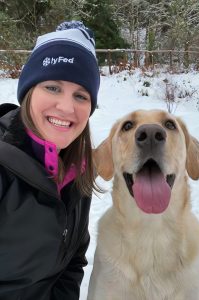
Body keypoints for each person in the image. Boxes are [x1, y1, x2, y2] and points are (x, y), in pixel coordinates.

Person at [0, 21, 100, 300]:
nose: (67, 107)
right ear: (29, 91)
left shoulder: (77, 170)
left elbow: (73, 261)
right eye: (53, 87)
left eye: (80, 95)